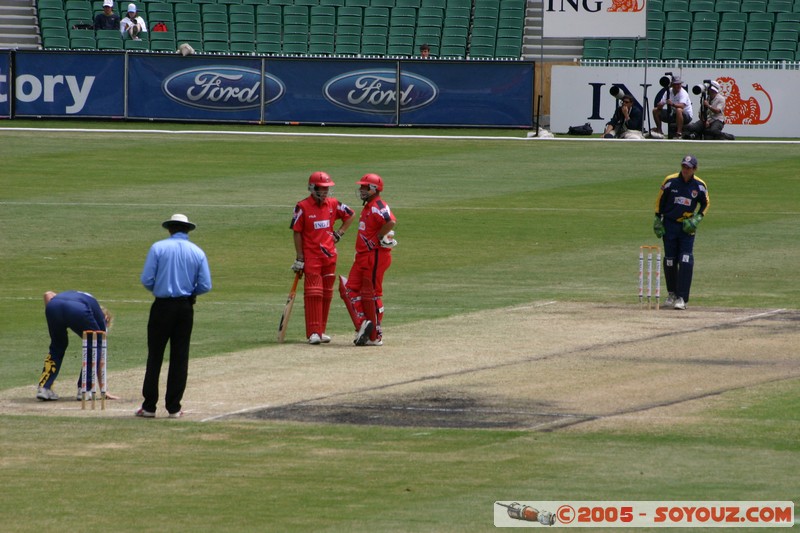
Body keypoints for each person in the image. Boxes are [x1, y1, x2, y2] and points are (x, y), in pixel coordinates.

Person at [137, 214, 212, 418]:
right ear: (187, 230)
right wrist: (190, 292)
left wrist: (159, 288)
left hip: (161, 306)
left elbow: (146, 279)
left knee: (155, 356)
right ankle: (174, 407)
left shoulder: (158, 248)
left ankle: (149, 406)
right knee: (180, 357)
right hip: (184, 307)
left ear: (170, 229)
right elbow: (205, 285)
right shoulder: (197, 252)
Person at [290, 171, 355, 344]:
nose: (325, 192)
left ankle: (321, 330)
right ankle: (313, 332)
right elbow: (297, 232)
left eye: (327, 188)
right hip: (312, 257)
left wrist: (339, 233)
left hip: (329, 256)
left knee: (326, 293)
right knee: (313, 293)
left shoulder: (333, 204)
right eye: (322, 188)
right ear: (312, 188)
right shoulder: (302, 206)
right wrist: (300, 258)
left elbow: (350, 214)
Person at [340, 173, 397, 346]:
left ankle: (376, 334)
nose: (361, 190)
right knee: (349, 289)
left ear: (373, 189)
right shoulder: (368, 206)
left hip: (375, 256)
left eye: (364, 187)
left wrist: (378, 237)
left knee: (372, 293)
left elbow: (391, 221)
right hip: (363, 256)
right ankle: (365, 323)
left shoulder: (378, 205)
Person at [652, 155, 710, 310]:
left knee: (685, 260)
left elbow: (706, 204)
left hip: (686, 227)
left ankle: (682, 298)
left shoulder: (699, 185)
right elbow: (660, 201)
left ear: (694, 169)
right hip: (670, 225)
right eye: (684, 166)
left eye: (689, 168)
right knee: (670, 260)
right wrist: (658, 218)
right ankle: (672, 294)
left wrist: (698, 218)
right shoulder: (670, 181)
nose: (685, 170)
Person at [37, 290, 113, 401]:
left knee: (58, 345)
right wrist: (103, 389)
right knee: (96, 343)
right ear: (106, 318)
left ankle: (44, 388)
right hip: (78, 310)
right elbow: (99, 352)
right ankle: (85, 389)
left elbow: (47, 294)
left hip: (53, 306)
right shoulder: (101, 318)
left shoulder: (83, 298)